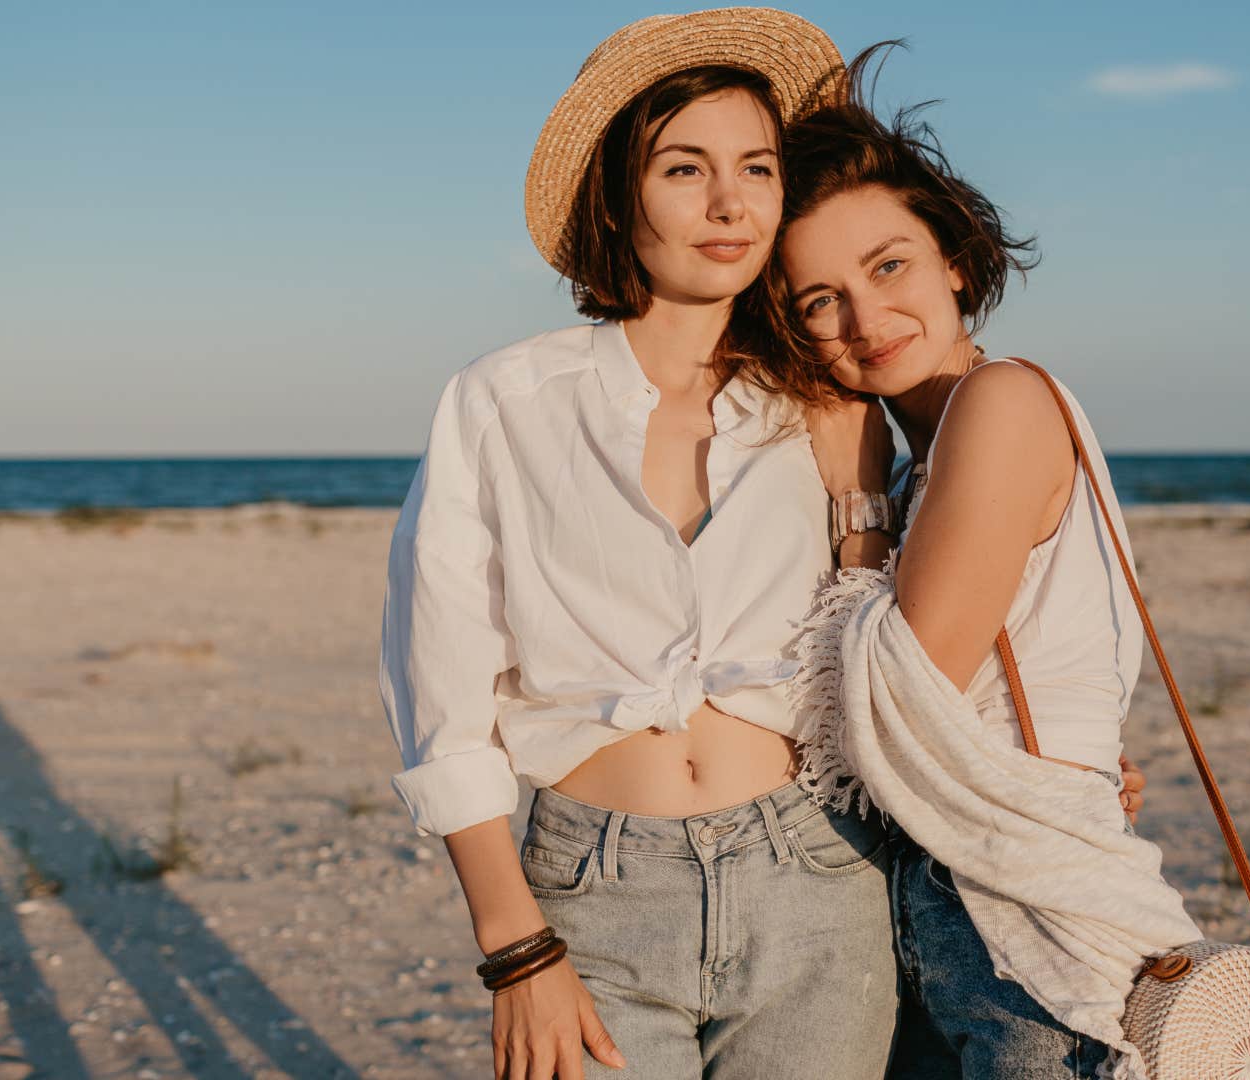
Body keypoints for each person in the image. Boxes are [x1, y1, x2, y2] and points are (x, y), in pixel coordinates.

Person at [378, 11, 905, 1079]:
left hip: (815, 877)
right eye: (684, 168)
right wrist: (515, 948)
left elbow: (877, 656)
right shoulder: (505, 402)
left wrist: (859, 494)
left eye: (755, 167)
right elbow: (441, 688)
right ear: (621, 199)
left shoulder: (825, 401)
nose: (730, 202)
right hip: (593, 893)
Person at [761, 48, 1202, 1079]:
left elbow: (907, 689)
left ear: (954, 258)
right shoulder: (939, 451)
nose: (865, 320)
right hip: (975, 907)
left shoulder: (1000, 404)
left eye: (888, 266)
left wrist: (857, 497)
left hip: (1034, 937)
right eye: (820, 299)